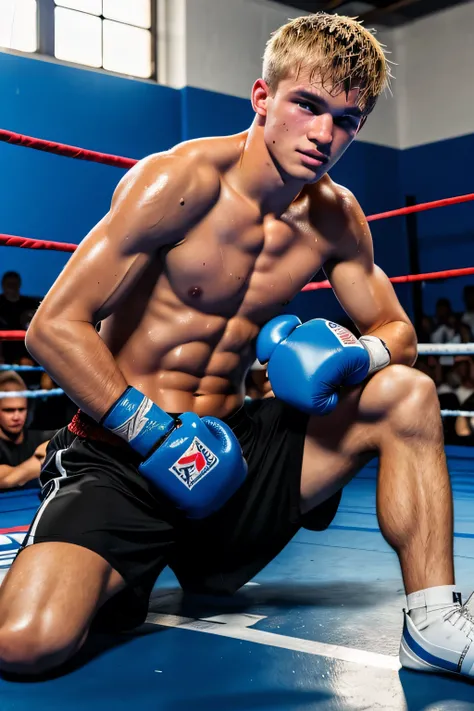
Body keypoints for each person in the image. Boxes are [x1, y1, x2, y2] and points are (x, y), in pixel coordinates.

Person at [0, 12, 472, 680]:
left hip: (233, 461)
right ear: (262, 98)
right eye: (307, 105)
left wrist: (353, 356)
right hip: (124, 458)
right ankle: (106, 566)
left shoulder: (336, 217)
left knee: (405, 392)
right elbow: (54, 324)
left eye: (346, 119)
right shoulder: (178, 183)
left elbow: (399, 333)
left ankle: (432, 621)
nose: (324, 134)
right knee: (23, 643)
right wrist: (153, 432)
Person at [0, 371, 54, 491]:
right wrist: (36, 464)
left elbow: (71, 435)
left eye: (21, 409)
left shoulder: (39, 438)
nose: (16, 417)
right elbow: (5, 479)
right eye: (8, 410)